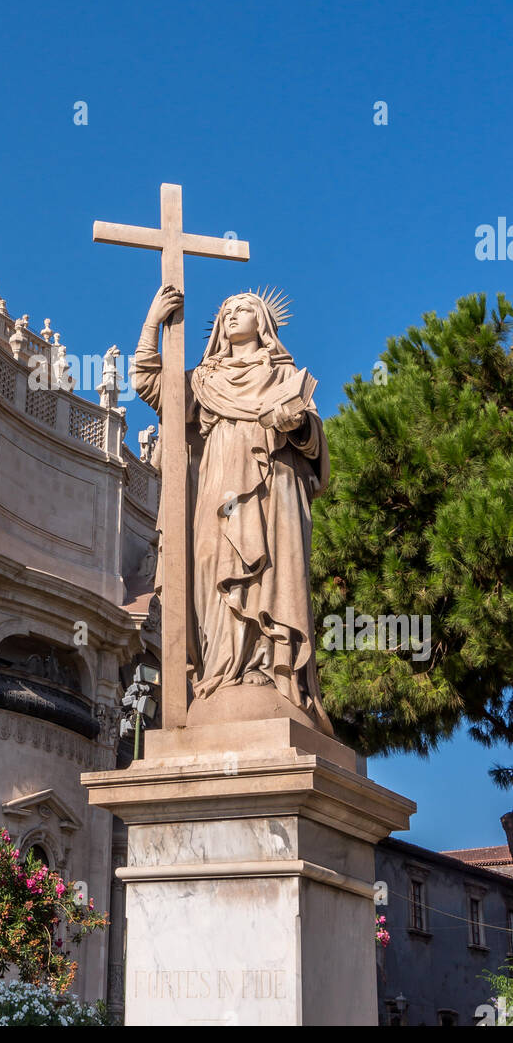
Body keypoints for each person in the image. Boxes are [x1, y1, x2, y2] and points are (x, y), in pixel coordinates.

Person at [133, 283, 332, 731]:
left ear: (262, 323)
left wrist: (297, 424)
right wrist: (153, 321)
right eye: (225, 311)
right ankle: (221, 671)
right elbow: (149, 383)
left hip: (274, 487)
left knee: (271, 575)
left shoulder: (285, 377)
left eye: (242, 309)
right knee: (210, 569)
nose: (230, 315)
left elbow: (315, 444)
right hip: (217, 488)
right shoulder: (203, 380)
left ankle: (267, 667)